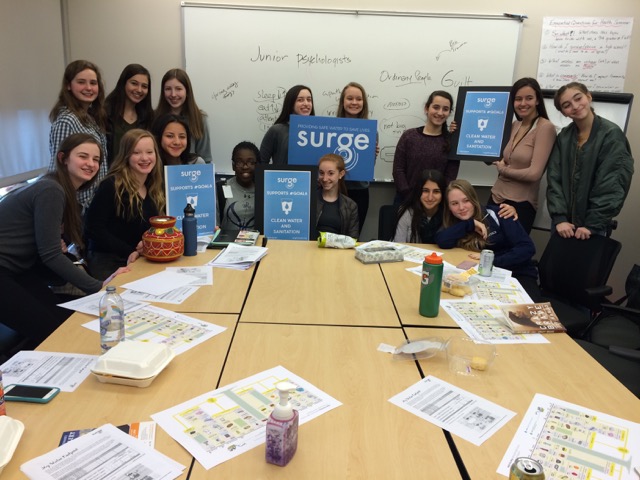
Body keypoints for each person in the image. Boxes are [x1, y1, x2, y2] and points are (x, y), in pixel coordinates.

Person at [0, 134, 129, 348]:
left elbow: (47, 252)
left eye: (96, 159)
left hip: (17, 270)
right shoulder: (51, 190)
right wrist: (99, 286)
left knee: (63, 321)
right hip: (6, 271)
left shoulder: (59, 190)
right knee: (53, 332)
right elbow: (51, 254)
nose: (90, 163)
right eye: (83, 156)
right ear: (63, 158)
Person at [547, 82, 634, 240]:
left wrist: (592, 225)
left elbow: (611, 184)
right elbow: (554, 179)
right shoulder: (564, 137)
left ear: (588, 96)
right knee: (555, 265)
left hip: (592, 229)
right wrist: (559, 218)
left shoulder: (611, 135)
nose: (575, 106)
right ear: (564, 113)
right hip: (562, 226)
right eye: (567, 105)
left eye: (578, 98)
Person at [436, 179, 539, 298]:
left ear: (474, 200)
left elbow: (527, 248)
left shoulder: (500, 214)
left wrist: (490, 261)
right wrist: (470, 224)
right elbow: (442, 240)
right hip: (483, 277)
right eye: (454, 203)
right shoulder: (455, 222)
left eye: (466, 201)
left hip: (516, 273)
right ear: (448, 207)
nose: (461, 207)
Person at [85, 129, 165, 280]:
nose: (144, 158)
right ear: (126, 155)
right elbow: (93, 229)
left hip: (139, 259)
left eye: (149, 152)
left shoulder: (153, 187)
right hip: (108, 261)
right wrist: (131, 250)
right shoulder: (112, 185)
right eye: (136, 153)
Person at [489, 78, 557, 234]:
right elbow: (503, 156)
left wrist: (503, 170)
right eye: (518, 99)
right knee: (487, 249)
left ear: (538, 100)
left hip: (519, 204)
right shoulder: (515, 125)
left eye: (529, 98)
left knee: (510, 255)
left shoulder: (545, 128)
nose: (523, 103)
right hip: (495, 197)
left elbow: (534, 174)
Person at [48, 60, 109, 211]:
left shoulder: (89, 117)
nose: (88, 88)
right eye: (81, 82)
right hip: (76, 206)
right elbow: (60, 169)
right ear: (68, 85)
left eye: (93, 83)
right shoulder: (67, 120)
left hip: (92, 203)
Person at [392, 90, 459, 205]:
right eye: (436, 107)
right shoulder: (409, 136)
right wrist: (409, 196)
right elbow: (398, 170)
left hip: (436, 204)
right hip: (405, 200)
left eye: (445, 109)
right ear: (426, 108)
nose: (440, 112)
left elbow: (450, 177)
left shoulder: (451, 142)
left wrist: (434, 198)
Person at [336, 81, 376, 232]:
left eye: (359, 99)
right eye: (350, 98)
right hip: (335, 189)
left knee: (353, 237)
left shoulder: (371, 131)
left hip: (360, 192)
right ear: (343, 102)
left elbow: (367, 167)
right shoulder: (330, 127)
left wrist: (373, 155)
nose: (354, 102)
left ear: (363, 103)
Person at [155, 68, 212, 163]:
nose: (173, 94)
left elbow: (205, 159)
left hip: (189, 175)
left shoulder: (200, 119)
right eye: (168, 89)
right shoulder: (155, 117)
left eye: (178, 89)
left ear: (187, 91)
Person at [105, 64, 153, 167]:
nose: (139, 90)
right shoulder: (104, 113)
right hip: (110, 178)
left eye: (144, 86)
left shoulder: (149, 117)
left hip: (138, 178)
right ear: (123, 83)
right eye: (134, 83)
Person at [260, 85, 315, 165]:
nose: (306, 103)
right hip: (282, 176)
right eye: (300, 100)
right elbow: (262, 162)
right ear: (291, 103)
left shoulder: (318, 131)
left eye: (309, 100)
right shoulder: (276, 130)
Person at [393, 169, 446, 244]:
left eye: (436, 191)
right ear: (418, 191)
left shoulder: (447, 214)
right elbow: (399, 246)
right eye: (425, 191)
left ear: (443, 194)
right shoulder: (407, 212)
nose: (430, 197)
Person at [217, 141, 258, 231]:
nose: (245, 167)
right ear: (233, 165)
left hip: (256, 244)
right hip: (227, 243)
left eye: (251, 162)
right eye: (239, 162)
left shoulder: (264, 190)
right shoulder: (221, 188)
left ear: (257, 165)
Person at [316, 153, 359, 239]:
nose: (324, 178)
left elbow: (353, 239)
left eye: (330, 173)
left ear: (341, 174)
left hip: (337, 250)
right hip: (310, 249)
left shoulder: (350, 206)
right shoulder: (309, 199)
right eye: (321, 173)